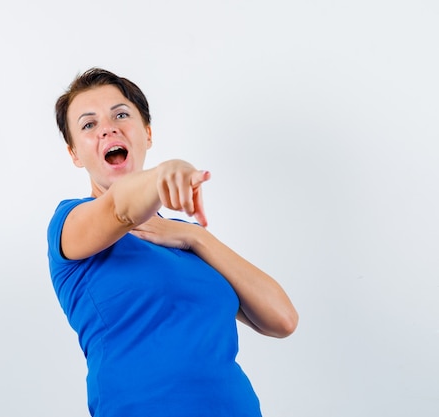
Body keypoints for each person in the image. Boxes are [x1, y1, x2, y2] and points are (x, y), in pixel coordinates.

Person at [47, 68, 298, 417]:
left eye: (121, 114)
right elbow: (120, 208)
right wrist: (167, 172)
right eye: (88, 125)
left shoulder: (183, 238)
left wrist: (195, 236)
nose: (108, 127)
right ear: (75, 154)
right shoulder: (70, 223)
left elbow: (282, 319)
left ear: (147, 133)